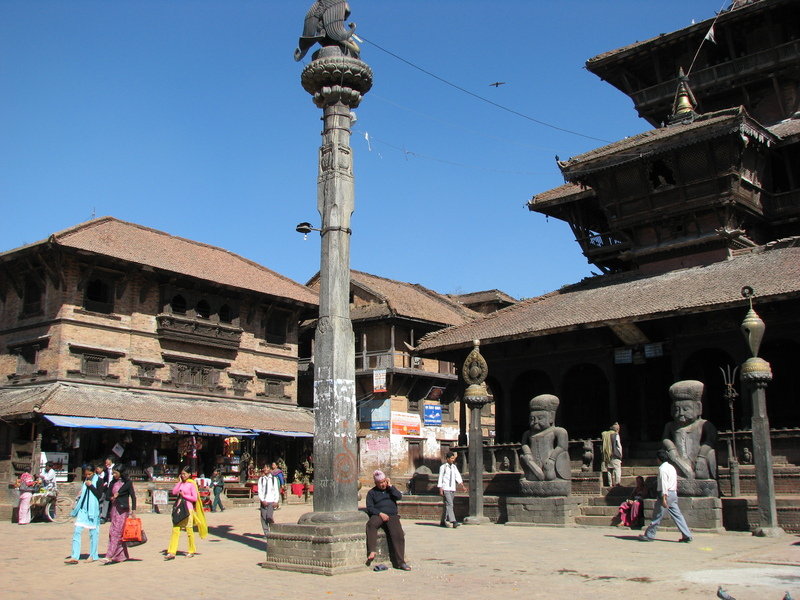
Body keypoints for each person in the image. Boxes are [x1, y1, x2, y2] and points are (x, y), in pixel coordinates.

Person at [638, 450, 693, 543]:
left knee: (657, 515)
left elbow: (664, 484)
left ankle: (649, 535)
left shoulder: (662, 469)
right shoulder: (672, 467)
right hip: (673, 493)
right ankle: (687, 535)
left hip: (665, 494)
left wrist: (664, 498)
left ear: (659, 459)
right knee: (678, 516)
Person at [365, 470, 411, 571]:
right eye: (380, 483)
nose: (382, 484)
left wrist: (390, 486)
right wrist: (380, 513)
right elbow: (370, 507)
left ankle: (401, 562)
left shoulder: (390, 490)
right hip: (379, 514)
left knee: (398, 535)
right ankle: (372, 550)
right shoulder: (372, 493)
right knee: (371, 524)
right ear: (376, 483)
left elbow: (399, 496)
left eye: (384, 482)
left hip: (392, 515)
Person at [65, 465, 103, 564]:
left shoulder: (99, 480)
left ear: (94, 472)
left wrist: (91, 486)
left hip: (93, 510)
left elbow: (99, 495)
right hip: (83, 509)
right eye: (86, 474)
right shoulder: (85, 481)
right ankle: (74, 556)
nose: (87, 476)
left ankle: (93, 555)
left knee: (93, 533)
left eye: (89, 474)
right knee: (77, 531)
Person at [165, 467, 204, 560]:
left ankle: (191, 550)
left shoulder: (191, 484)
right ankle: (171, 551)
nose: (183, 476)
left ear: (189, 474)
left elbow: (194, 498)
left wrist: (184, 496)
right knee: (175, 530)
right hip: (179, 509)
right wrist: (179, 482)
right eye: (182, 474)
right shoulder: (181, 483)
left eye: (184, 474)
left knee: (189, 531)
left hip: (188, 509)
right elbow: (174, 492)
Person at [101, 465, 136, 564]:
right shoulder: (112, 482)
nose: (114, 475)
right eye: (113, 473)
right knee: (113, 532)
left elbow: (133, 496)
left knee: (116, 532)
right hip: (114, 509)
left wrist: (134, 510)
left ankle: (109, 555)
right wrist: (112, 497)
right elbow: (107, 496)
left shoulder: (127, 483)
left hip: (123, 511)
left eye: (116, 473)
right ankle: (121, 555)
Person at [437, 451, 466, 528]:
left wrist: (462, 485)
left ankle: (442, 521)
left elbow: (457, 476)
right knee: (450, 504)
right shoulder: (443, 467)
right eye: (451, 458)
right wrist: (440, 488)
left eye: (453, 458)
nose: (453, 460)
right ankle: (453, 521)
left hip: (452, 488)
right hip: (445, 488)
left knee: (447, 505)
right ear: (447, 459)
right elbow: (440, 478)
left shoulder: (454, 467)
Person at [258, 465, 280, 540]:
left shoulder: (274, 479)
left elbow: (276, 490)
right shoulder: (261, 479)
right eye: (264, 468)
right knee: (263, 517)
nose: (265, 469)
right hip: (264, 500)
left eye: (267, 468)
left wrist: (276, 501)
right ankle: (266, 532)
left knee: (269, 517)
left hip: (271, 500)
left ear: (270, 469)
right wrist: (262, 500)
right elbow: (260, 490)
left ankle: (273, 530)